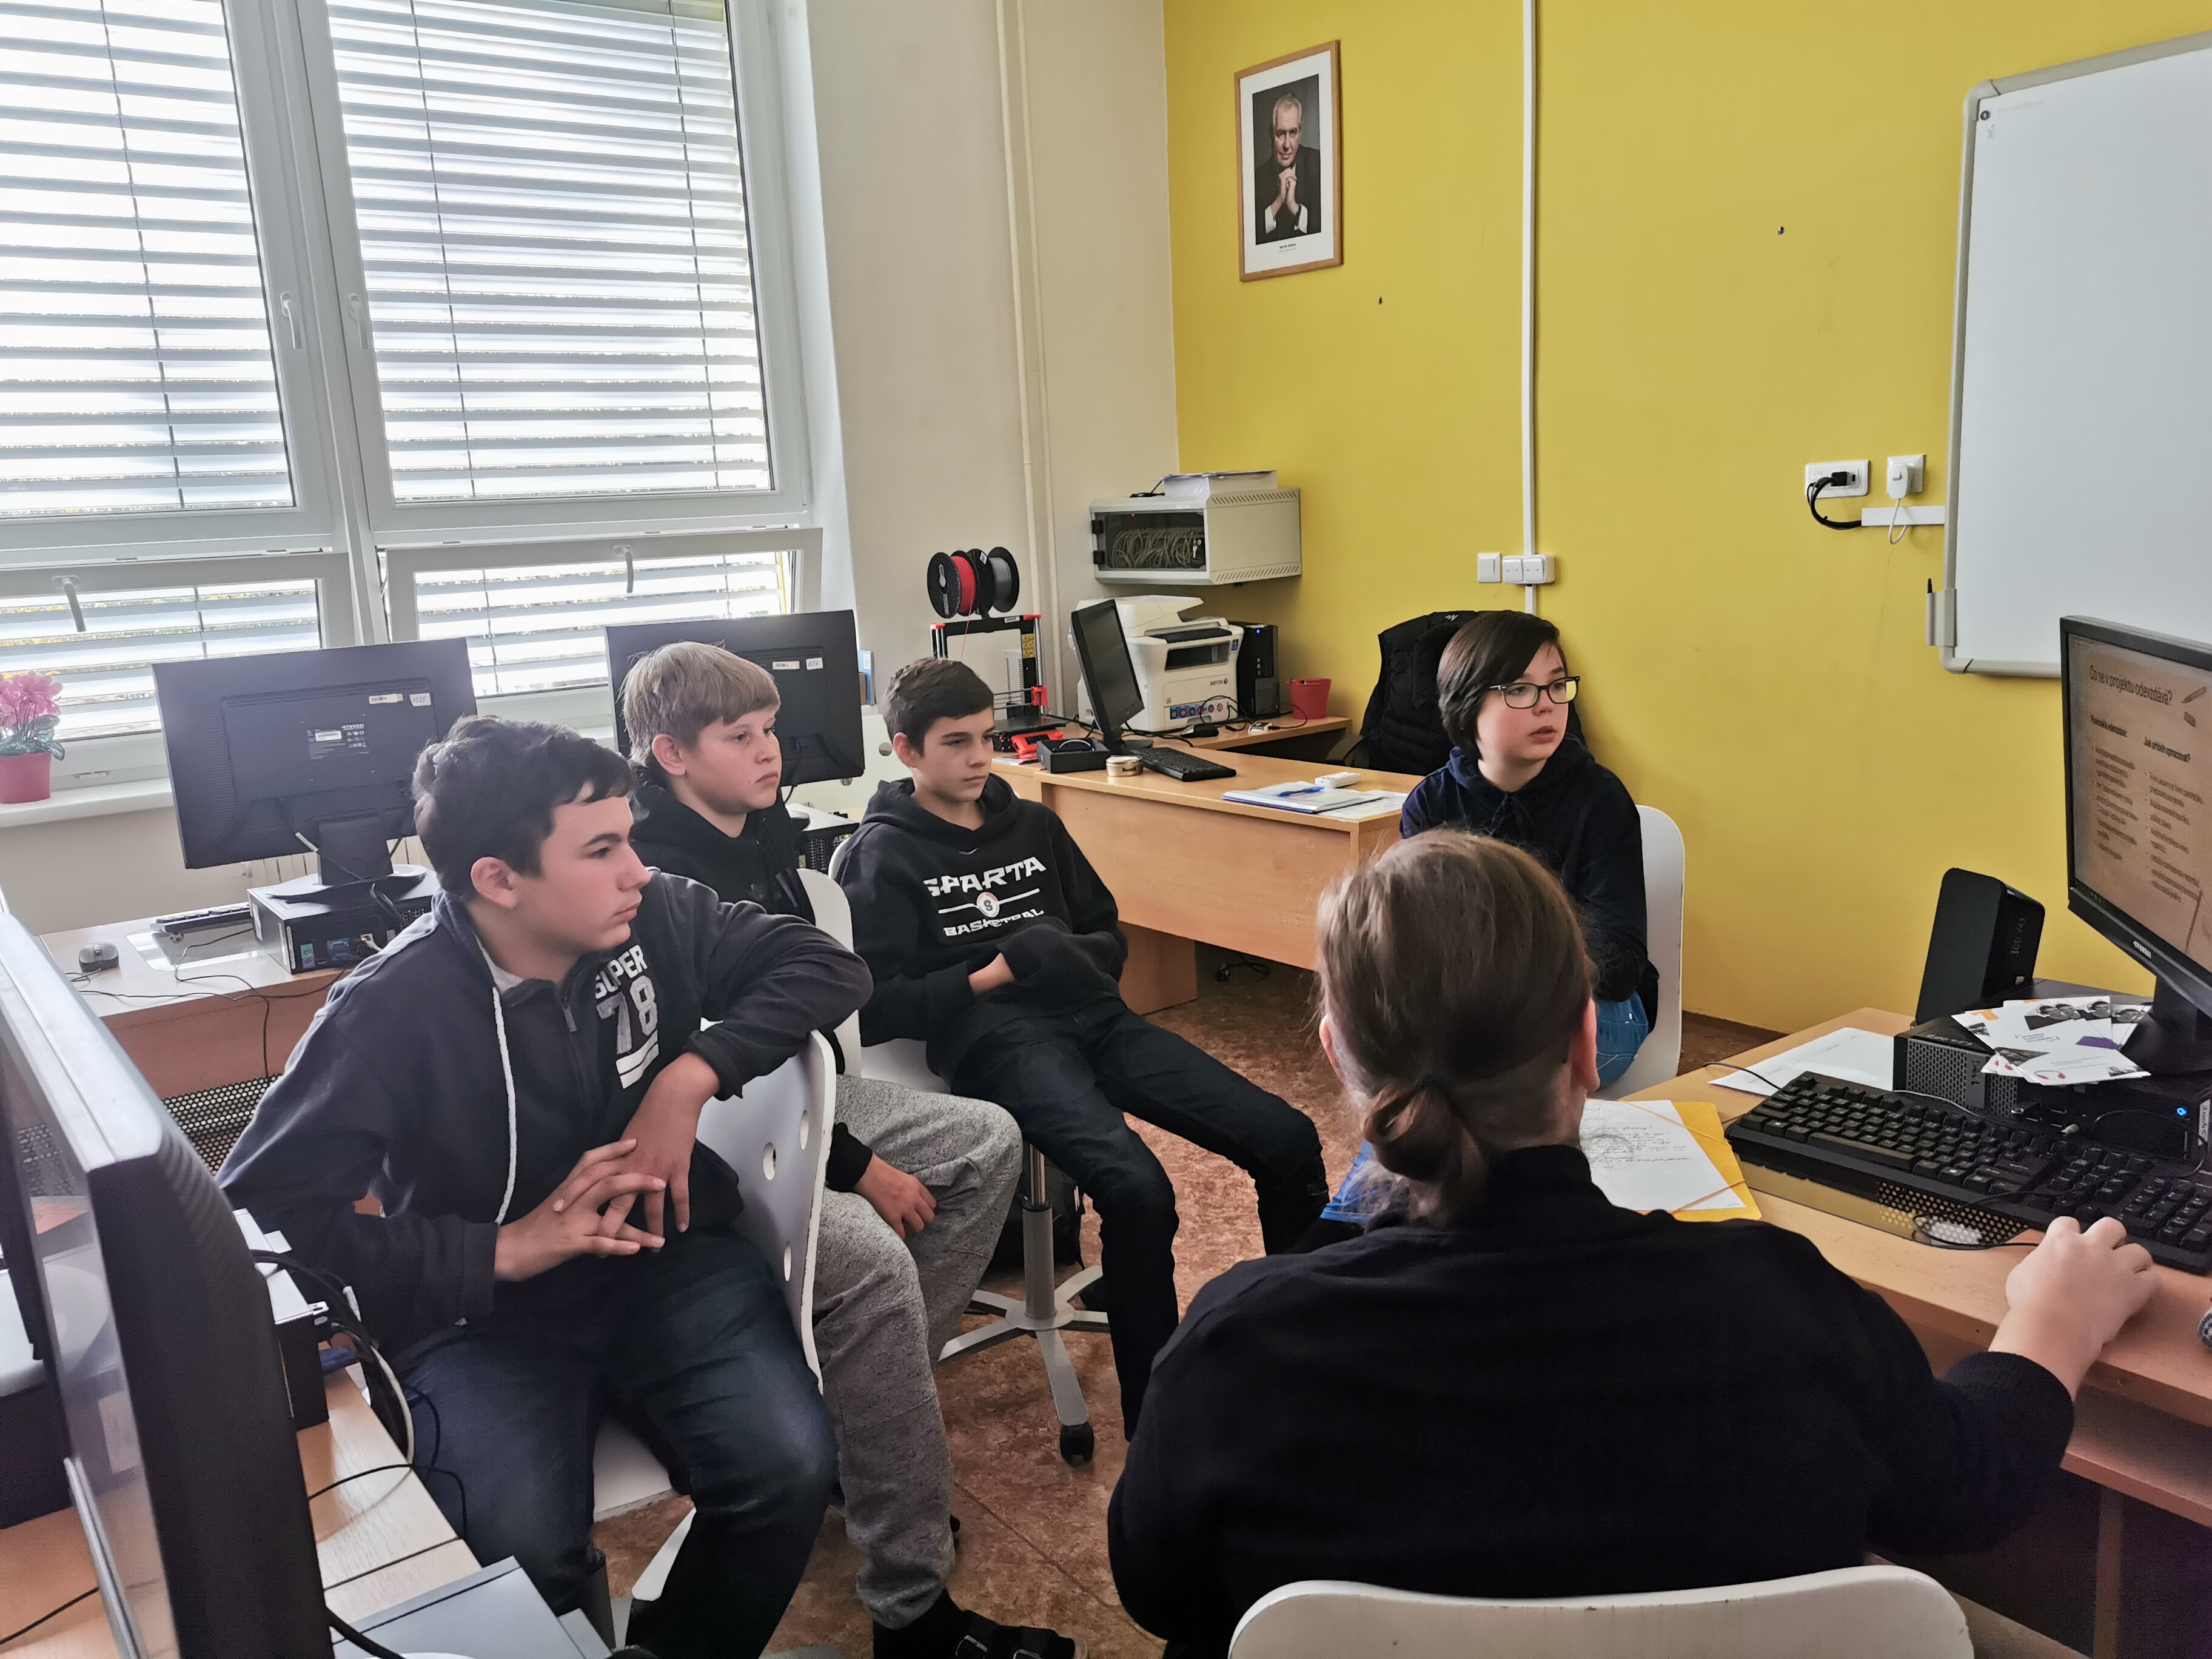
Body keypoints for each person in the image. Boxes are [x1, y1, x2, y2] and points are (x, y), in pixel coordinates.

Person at [1108, 830, 2159, 1658]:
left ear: (1339, 1053)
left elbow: (1160, 1591)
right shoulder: (1776, 1305)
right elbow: (1966, 1490)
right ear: (1584, 1040)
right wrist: (2049, 1325)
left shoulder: (1238, 1349)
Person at [219, 716, 870, 1659]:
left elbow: (828, 965)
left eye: (630, 840)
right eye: (602, 850)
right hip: (483, 1317)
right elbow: (266, 1223)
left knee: (790, 1467)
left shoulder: (657, 914)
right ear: (498, 879)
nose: (637, 871)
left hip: (665, 1258)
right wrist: (499, 1249)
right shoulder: (388, 1012)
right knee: (511, 1553)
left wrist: (690, 1076)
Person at [622, 640, 1085, 1659]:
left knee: (987, 1142)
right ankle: (910, 1607)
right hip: (732, 1135)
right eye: (739, 736)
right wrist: (856, 1166)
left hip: (818, 1096)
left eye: (770, 730)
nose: (769, 751)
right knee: (874, 1257)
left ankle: (858, 1432)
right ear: (671, 754)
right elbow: (717, 1075)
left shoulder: (760, 834)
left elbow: (823, 1004)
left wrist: (848, 1135)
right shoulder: (649, 875)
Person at [834, 657, 1329, 1432]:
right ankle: (1158, 1422)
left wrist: (1075, 956)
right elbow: (875, 1007)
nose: (979, 758)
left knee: (1288, 1138)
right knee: (1137, 1190)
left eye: (987, 738)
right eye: (957, 743)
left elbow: (1107, 932)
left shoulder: (1033, 823)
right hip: (998, 1041)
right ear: (907, 751)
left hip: (1097, 1018)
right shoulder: (883, 854)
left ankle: (1312, 1358)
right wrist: (995, 972)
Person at [1307, 609, 1651, 1241]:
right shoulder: (1432, 802)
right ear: (1467, 705)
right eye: (1519, 689)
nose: (1547, 705)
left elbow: (1622, 961)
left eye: (1557, 686)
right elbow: (1421, 945)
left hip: (1596, 1004)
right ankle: (1375, 1233)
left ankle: (1405, 1234)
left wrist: (1508, 977)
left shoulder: (1600, 800)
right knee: (1435, 1073)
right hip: (1471, 1009)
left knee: (1474, 1076)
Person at [1253, 90, 1321, 241]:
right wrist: (1279, 201)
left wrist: (1293, 206)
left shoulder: (1319, 164)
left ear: (1300, 134)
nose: (1286, 145)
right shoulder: (1258, 178)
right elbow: (1251, 238)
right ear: (1271, 135)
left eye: (1293, 133)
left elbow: (1327, 229)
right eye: (1280, 134)